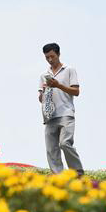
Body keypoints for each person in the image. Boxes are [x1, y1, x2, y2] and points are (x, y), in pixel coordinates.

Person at [39, 42, 84, 175]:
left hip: (66, 113)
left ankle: (78, 174)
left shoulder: (69, 70)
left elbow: (76, 92)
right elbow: (40, 98)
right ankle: (58, 177)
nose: (50, 60)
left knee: (65, 143)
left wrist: (58, 85)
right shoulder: (43, 75)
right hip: (50, 115)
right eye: (47, 57)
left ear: (58, 54)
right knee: (51, 149)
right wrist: (44, 93)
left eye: (52, 56)